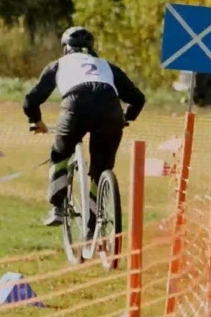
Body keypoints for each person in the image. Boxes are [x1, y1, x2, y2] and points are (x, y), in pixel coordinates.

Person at [23, 26, 146, 235]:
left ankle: (57, 207)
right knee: (102, 168)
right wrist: (126, 118)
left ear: (65, 48)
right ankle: (94, 221)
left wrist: (36, 120)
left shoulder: (59, 65)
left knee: (59, 153)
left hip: (76, 106)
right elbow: (138, 98)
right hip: (110, 108)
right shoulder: (107, 67)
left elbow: (30, 99)